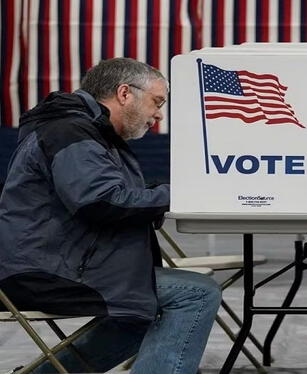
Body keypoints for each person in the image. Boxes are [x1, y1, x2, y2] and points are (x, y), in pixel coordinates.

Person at [0, 57, 221, 373]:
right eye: (156, 102)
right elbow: (101, 201)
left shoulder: (81, 129)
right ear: (124, 94)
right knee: (197, 294)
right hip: (44, 272)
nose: (158, 115)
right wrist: (185, 193)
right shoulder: (71, 131)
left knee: (137, 314)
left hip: (54, 262)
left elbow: (107, 194)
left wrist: (164, 192)